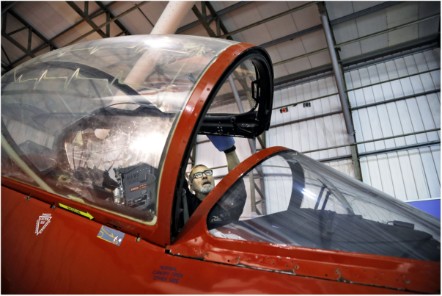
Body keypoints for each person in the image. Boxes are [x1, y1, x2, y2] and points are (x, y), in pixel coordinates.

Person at [183, 135, 245, 227]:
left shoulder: (227, 207)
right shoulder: (186, 204)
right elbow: (175, 176)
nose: (204, 176)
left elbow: (236, 180)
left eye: (207, 172)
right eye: (198, 175)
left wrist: (229, 150)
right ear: (191, 185)